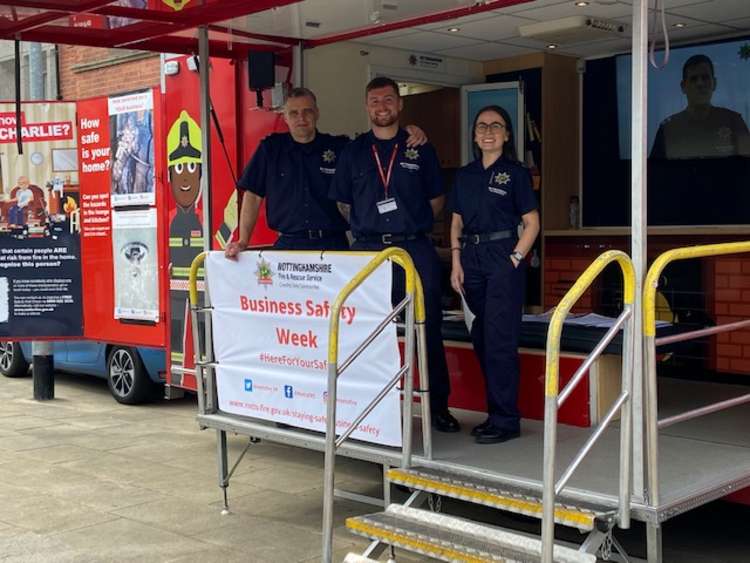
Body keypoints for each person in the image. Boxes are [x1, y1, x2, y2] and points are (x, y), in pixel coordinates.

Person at [329, 76, 459, 433]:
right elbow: (343, 204)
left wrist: (406, 224)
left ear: (400, 105)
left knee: (427, 326)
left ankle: (438, 407)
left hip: (413, 247)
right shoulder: (353, 152)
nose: (381, 107)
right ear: (366, 106)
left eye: (388, 100)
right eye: (374, 101)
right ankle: (369, 408)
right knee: (367, 330)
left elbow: (436, 201)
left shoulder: (420, 147)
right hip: (369, 250)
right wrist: (371, 225)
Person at [224, 87, 427, 256]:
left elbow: (378, 142)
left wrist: (408, 131)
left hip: (333, 245)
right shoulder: (270, 149)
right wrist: (243, 241)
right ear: (284, 117)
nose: (301, 118)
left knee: (336, 305)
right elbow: (252, 196)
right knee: (290, 305)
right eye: (293, 113)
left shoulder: (341, 148)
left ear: (317, 113)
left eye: (307, 111)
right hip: (289, 246)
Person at [449, 105, 539, 444]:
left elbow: (532, 223)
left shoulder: (516, 173)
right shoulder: (465, 175)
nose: (488, 131)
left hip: (502, 258)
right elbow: (455, 221)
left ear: (507, 134)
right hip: (470, 259)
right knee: (481, 338)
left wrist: (515, 259)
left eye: (496, 126)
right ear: (474, 134)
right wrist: (456, 261)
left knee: (500, 340)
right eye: (482, 126)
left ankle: (506, 419)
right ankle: (495, 413)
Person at [651, 54, 750, 160]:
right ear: (683, 86)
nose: (700, 83)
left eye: (705, 77)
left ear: (714, 83)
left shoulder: (733, 122)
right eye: (693, 79)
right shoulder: (668, 129)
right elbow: (655, 172)